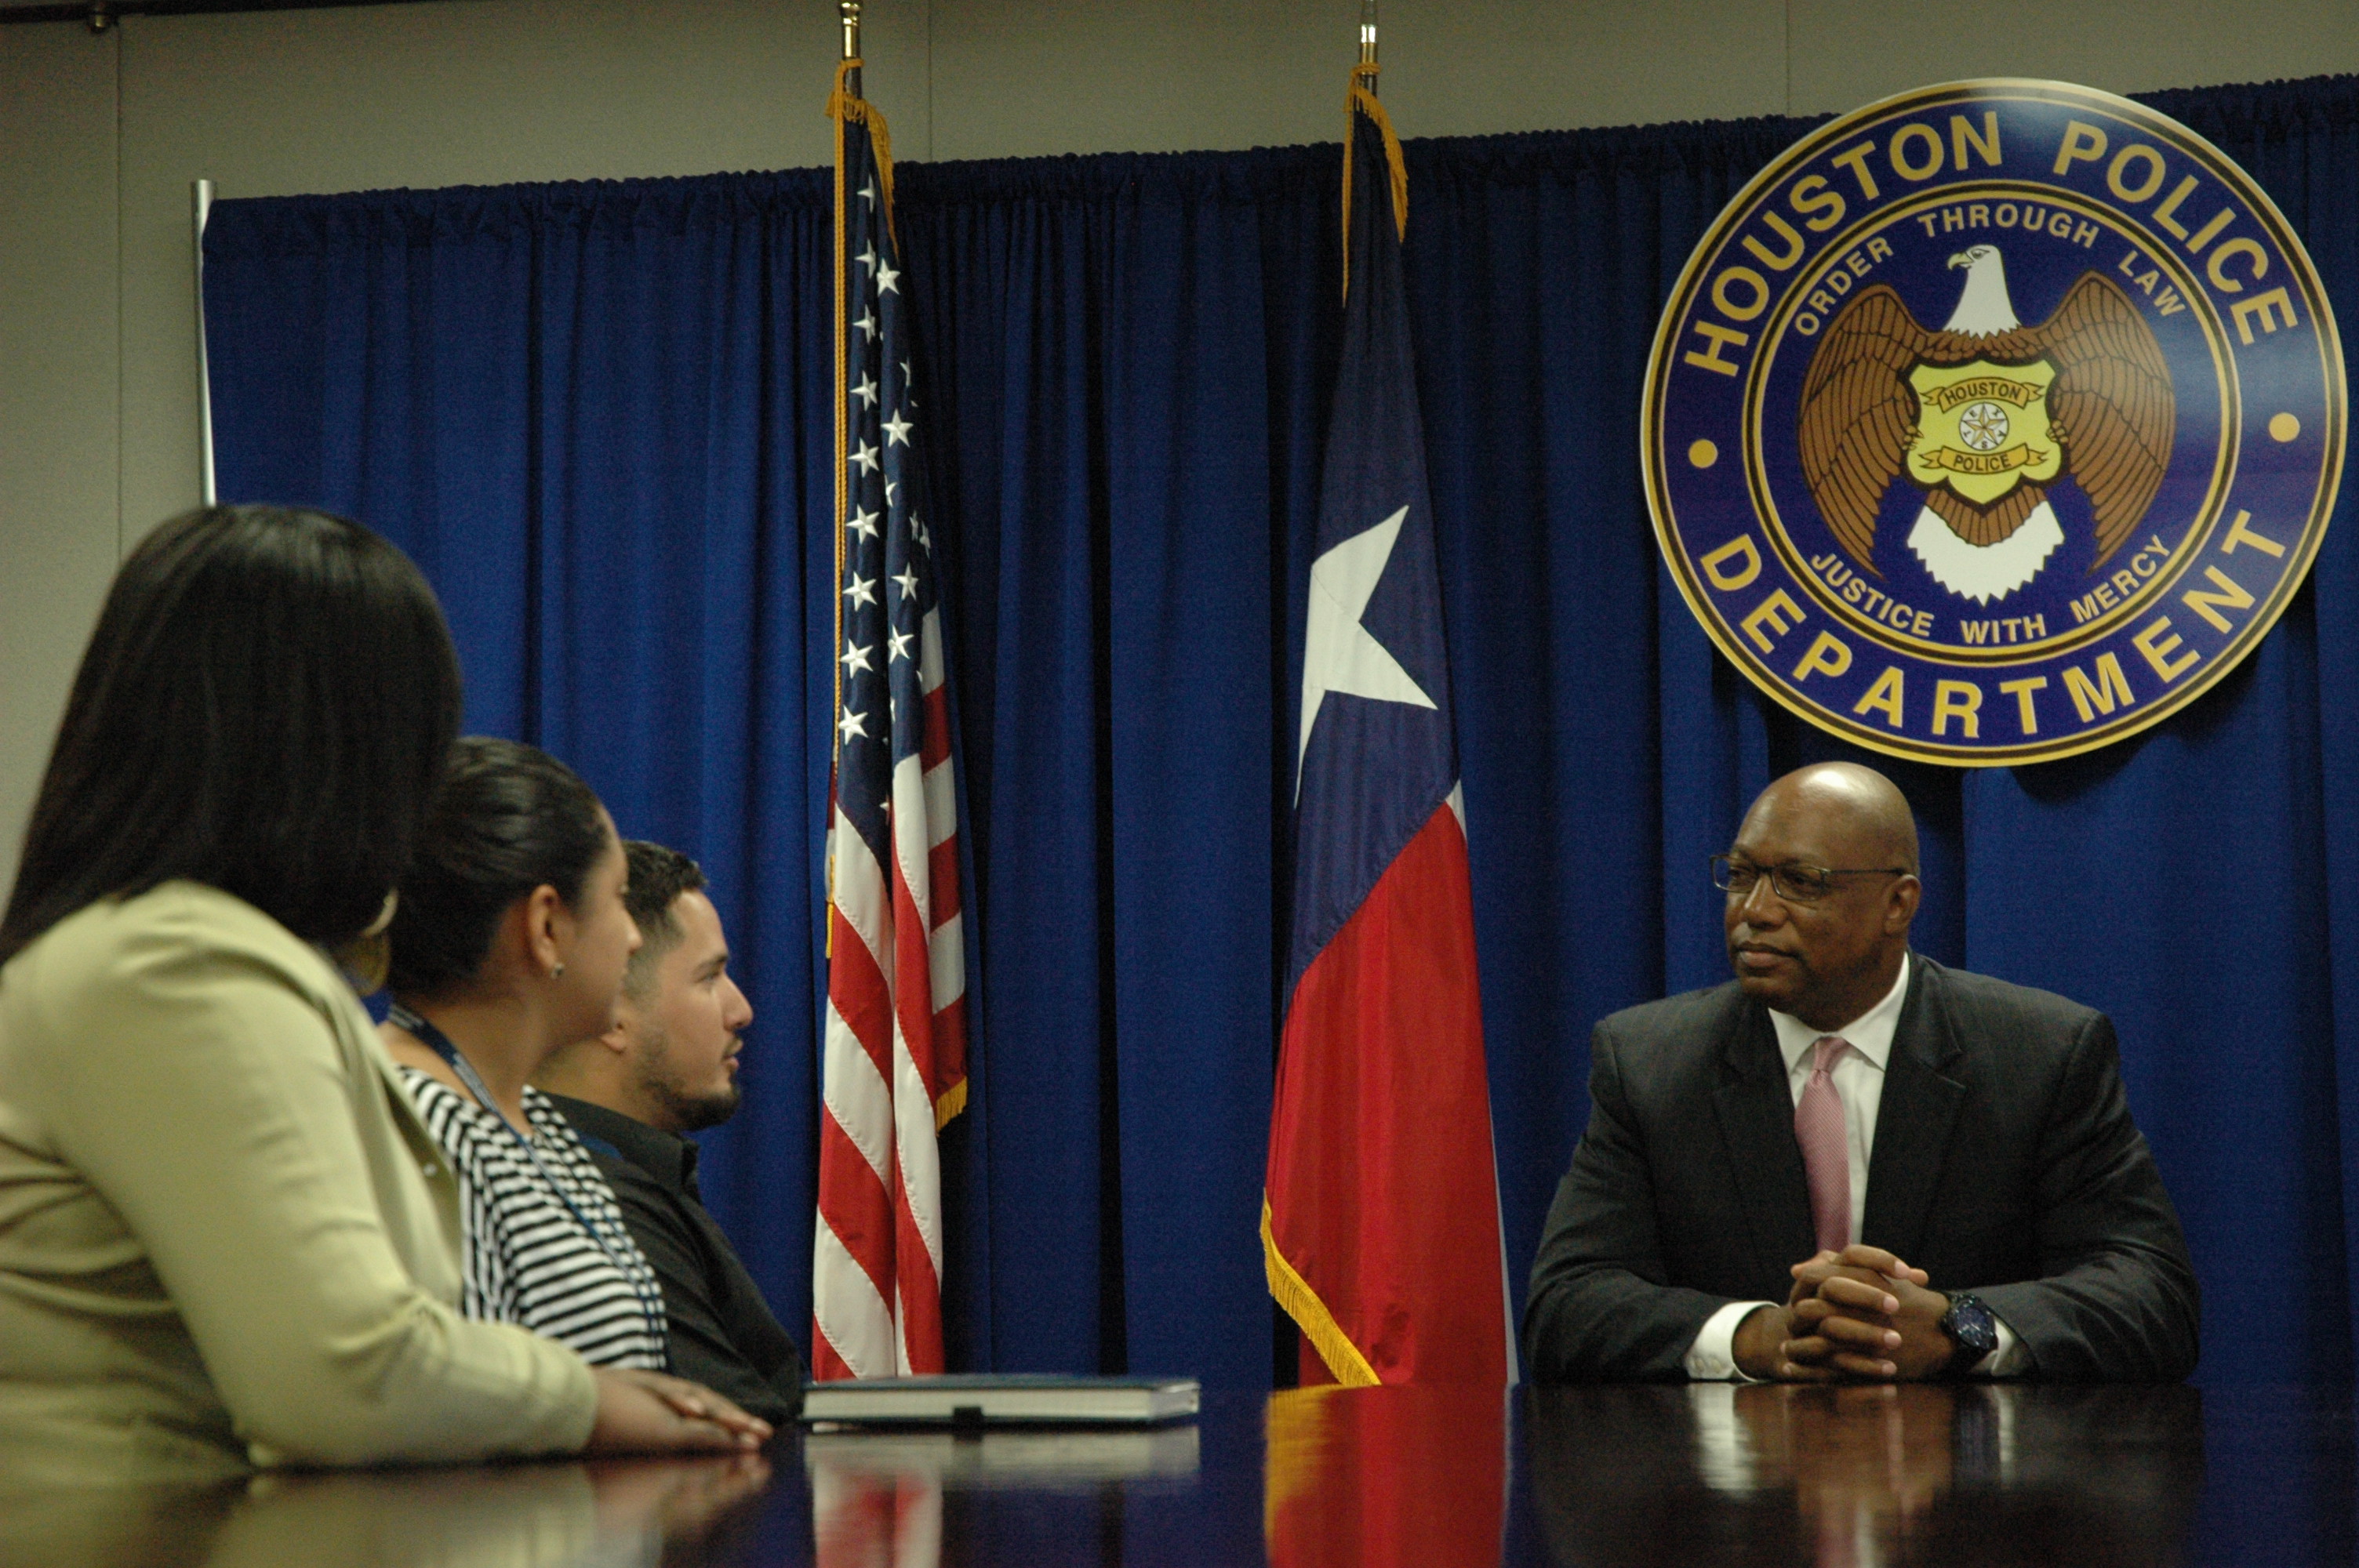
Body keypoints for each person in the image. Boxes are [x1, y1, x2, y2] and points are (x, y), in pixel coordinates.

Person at [0, 506, 765, 1488]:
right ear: (331, 750)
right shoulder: (177, 967)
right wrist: (592, 1399)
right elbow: (341, 1374)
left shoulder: (163, 952)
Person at [1522, 761, 2198, 1384]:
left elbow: (2151, 1295)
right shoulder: (1649, 1060)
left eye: (1799, 881)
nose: (1753, 910)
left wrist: (1955, 1328)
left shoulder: (2041, 1053)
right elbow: (1566, 1304)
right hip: (1735, 1493)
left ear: (1898, 905)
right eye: (1741, 874)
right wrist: (1761, 1336)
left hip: (1976, 1488)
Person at [380, 737, 673, 1372]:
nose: (631, 938)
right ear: (545, 927)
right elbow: (453, 1406)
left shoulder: (534, 1119)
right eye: (619, 898)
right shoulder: (416, 1128)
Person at [535, 840, 808, 1424]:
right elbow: (743, 1437)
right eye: (709, 978)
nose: (741, 1010)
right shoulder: (592, 1203)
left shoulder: (637, 1178)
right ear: (609, 1009)